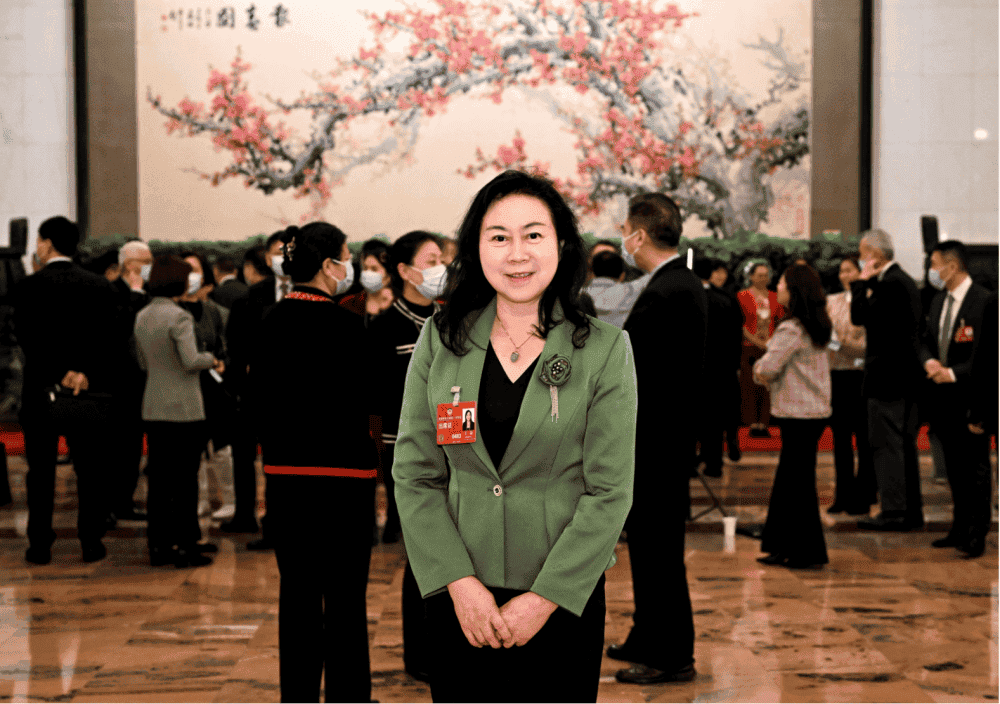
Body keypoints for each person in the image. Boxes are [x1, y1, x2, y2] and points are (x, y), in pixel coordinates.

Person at [393, 170, 636, 703]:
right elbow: (415, 476)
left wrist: (544, 598)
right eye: (499, 237)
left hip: (561, 598)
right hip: (461, 599)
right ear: (476, 248)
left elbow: (609, 491)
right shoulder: (441, 339)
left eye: (534, 235)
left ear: (561, 245)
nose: (517, 253)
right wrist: (459, 583)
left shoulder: (602, 349)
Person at [247, 221, 378, 703]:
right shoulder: (348, 326)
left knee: (298, 595)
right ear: (328, 265)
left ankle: (298, 695)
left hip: (287, 478)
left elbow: (255, 401)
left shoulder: (270, 320)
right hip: (346, 480)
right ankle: (349, 696)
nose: (350, 267)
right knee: (346, 598)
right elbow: (370, 400)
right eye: (346, 257)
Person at [608, 192, 705, 685]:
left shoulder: (670, 289)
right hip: (660, 441)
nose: (622, 238)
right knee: (648, 547)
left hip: (658, 444)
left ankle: (671, 655)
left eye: (625, 230)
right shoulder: (677, 283)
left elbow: (639, 371)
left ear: (639, 235)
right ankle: (647, 635)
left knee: (660, 552)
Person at [13, 216, 119, 565]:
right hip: (88, 392)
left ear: (46, 243)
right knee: (90, 470)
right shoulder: (99, 286)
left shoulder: (28, 287)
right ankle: (91, 541)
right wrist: (83, 373)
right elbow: (109, 339)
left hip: (41, 390)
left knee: (40, 472)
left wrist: (60, 372)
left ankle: (39, 544)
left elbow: (28, 339)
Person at [367, 229, 445, 682]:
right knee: (422, 553)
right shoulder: (384, 328)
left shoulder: (450, 321)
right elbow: (374, 400)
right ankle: (421, 654)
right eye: (431, 260)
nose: (440, 268)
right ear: (405, 270)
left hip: (455, 449)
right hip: (405, 452)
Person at [134, 254, 223, 568]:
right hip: (184, 408)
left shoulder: (143, 315)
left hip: (153, 404)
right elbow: (190, 360)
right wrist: (211, 359)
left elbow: (142, 362)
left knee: (159, 481)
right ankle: (186, 545)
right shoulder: (180, 317)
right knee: (185, 481)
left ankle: (159, 545)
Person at [753, 263, 833, 568]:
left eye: (782, 284)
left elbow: (768, 367)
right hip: (812, 411)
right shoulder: (817, 325)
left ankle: (803, 551)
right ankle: (786, 546)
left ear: (795, 290)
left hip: (797, 413)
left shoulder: (792, 328)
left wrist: (757, 369)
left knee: (796, 483)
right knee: (794, 480)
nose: (778, 288)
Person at [918, 241, 992, 558]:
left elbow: (988, 358)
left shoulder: (984, 301)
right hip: (942, 400)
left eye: (934, 264)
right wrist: (929, 362)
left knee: (975, 469)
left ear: (952, 265)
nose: (931, 271)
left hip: (971, 399)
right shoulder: (938, 301)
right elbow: (925, 340)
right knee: (954, 469)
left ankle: (977, 533)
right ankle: (959, 527)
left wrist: (953, 373)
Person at [851, 228, 924, 531]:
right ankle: (909, 511)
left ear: (875, 255)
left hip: (888, 380)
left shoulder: (891, 283)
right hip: (901, 379)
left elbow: (860, 316)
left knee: (887, 445)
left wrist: (860, 282)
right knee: (900, 445)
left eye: (862, 255)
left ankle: (895, 512)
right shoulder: (900, 281)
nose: (860, 260)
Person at [224, 231, 294, 542]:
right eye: (279, 252)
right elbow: (236, 347)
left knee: (278, 462)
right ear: (267, 257)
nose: (284, 258)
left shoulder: (310, 294)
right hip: (252, 392)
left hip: (292, 397)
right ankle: (244, 514)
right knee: (243, 457)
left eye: (290, 252)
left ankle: (277, 523)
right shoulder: (249, 298)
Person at [180, 251, 236, 521]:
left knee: (222, 447)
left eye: (195, 269)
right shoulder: (174, 309)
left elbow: (224, 345)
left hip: (213, 386)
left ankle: (231, 499)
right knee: (194, 449)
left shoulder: (213, 310)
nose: (190, 275)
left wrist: (222, 362)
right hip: (186, 385)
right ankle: (199, 500)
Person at [107, 240, 154, 524]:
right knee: (115, 448)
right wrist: (135, 296)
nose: (149, 266)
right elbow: (118, 329)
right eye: (145, 261)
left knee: (133, 448)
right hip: (117, 383)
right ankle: (109, 505)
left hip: (143, 382)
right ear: (128, 264)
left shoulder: (148, 293)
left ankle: (124, 502)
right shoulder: (111, 291)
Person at [825, 256, 876, 515]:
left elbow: (872, 342)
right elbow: (827, 336)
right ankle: (842, 494)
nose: (845, 275)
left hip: (863, 374)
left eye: (850, 270)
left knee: (865, 439)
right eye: (842, 271)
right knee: (841, 439)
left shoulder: (871, 298)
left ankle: (865, 494)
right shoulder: (831, 301)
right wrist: (841, 348)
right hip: (838, 374)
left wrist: (852, 353)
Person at [694, 257, 744, 477]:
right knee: (714, 417)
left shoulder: (689, 296)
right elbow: (737, 333)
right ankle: (714, 464)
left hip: (695, 367)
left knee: (692, 416)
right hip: (722, 368)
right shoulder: (726, 298)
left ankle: (689, 463)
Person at [738, 261, 785, 437]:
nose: (763, 278)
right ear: (751, 277)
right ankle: (751, 423)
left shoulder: (775, 297)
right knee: (749, 384)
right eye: (759, 275)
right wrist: (755, 340)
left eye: (766, 275)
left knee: (768, 385)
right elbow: (740, 323)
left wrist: (771, 342)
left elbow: (780, 322)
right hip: (749, 346)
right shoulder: (741, 296)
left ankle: (764, 422)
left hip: (771, 347)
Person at [339, 238, 394, 322]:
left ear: (388, 276)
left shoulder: (399, 306)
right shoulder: (347, 304)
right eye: (365, 268)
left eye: (374, 269)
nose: (368, 273)